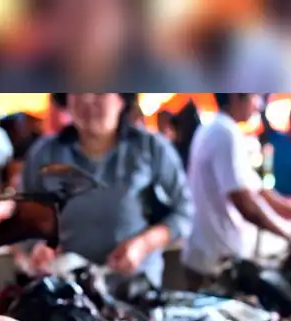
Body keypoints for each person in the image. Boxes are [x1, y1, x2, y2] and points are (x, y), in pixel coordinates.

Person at [22, 93, 193, 287]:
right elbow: (21, 216)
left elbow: (184, 212)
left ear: (122, 98)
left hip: (134, 289)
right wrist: (36, 247)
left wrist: (144, 244)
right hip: (66, 289)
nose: (87, 99)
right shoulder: (44, 154)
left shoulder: (151, 148)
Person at [182, 93, 291, 289]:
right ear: (235, 97)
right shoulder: (224, 133)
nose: (258, 104)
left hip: (210, 253)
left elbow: (261, 192)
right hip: (216, 261)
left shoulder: (217, 128)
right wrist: (287, 235)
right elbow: (245, 204)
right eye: (254, 97)